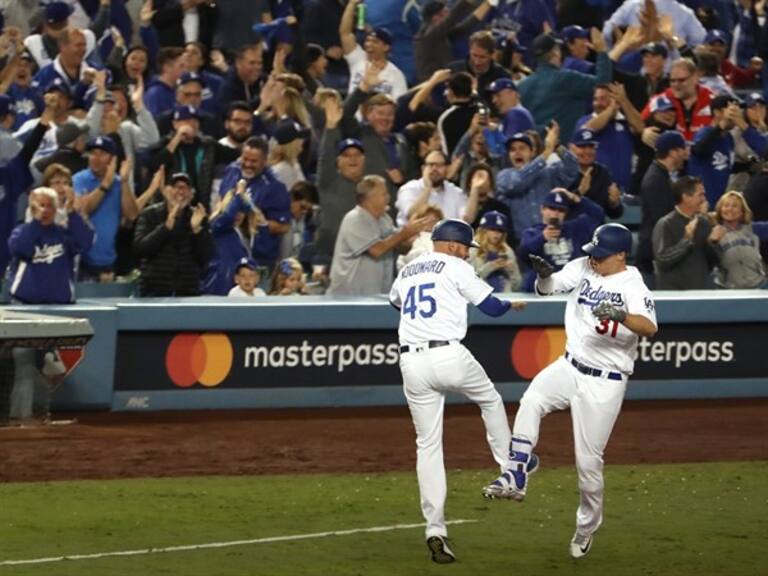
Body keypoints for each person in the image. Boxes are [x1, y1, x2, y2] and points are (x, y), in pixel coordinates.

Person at [482, 222, 657, 560]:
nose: (594, 260)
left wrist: (621, 314)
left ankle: (586, 527)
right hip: (569, 364)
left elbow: (650, 327)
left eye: (602, 256)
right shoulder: (583, 266)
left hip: (604, 382)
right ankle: (517, 472)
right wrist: (544, 276)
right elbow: (547, 289)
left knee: (588, 466)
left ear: (621, 255)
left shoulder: (633, 285)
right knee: (531, 400)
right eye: (593, 253)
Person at [389, 218, 526, 564]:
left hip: (412, 362)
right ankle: (509, 468)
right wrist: (510, 304)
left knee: (428, 445)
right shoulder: (455, 265)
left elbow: (396, 303)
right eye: (465, 247)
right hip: (449, 354)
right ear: (451, 244)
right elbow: (491, 308)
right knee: (490, 399)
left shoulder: (408, 269)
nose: (467, 253)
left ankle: (435, 529)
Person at [327, 175, 432, 296]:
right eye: (384, 194)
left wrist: (414, 235)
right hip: (348, 297)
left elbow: (399, 247)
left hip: (377, 295)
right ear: (369, 198)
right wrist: (405, 232)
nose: (388, 197)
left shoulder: (384, 219)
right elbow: (377, 250)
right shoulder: (355, 219)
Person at [519, 31, 612, 139]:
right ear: (555, 52)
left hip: (536, 151)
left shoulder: (522, 85)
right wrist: (602, 51)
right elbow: (602, 83)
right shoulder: (565, 78)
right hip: (563, 150)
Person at [133, 171, 213, 296]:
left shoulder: (198, 216)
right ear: (165, 190)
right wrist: (165, 228)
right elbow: (141, 249)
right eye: (175, 187)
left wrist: (196, 231)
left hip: (188, 293)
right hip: (154, 293)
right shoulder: (149, 214)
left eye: (185, 188)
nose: (180, 192)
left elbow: (206, 258)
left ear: (192, 194)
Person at [73, 136, 139, 281]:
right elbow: (83, 211)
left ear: (112, 159)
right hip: (82, 261)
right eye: (93, 153)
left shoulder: (118, 182)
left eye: (102, 154)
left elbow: (132, 215)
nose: (96, 158)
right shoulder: (79, 179)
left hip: (108, 261)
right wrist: (105, 184)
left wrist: (124, 181)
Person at [519, 188, 605, 291]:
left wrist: (575, 198)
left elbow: (598, 215)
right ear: (542, 209)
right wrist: (542, 238)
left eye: (561, 210)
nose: (555, 213)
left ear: (566, 213)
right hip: (542, 290)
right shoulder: (532, 232)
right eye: (552, 208)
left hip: (571, 288)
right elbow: (523, 255)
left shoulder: (574, 228)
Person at [636, 130, 689, 279]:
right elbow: (663, 220)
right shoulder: (655, 179)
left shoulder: (661, 175)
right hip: (653, 256)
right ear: (673, 152)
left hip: (658, 251)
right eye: (683, 149)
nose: (686, 153)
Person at [652, 176, 717, 289]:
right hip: (674, 296)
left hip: (699, 292)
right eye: (700, 195)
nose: (704, 200)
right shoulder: (666, 224)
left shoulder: (704, 223)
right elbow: (663, 260)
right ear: (686, 197)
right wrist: (686, 240)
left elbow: (712, 262)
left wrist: (713, 242)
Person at [339, 0, 407, 100]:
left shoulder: (395, 75)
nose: (369, 44)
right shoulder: (358, 59)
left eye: (375, 42)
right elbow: (345, 33)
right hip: (352, 114)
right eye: (368, 41)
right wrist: (351, 4)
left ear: (386, 47)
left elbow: (399, 106)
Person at [708, 191, 768, 288]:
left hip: (759, 286)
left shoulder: (753, 229)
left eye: (735, 206)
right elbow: (709, 259)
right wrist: (713, 242)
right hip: (729, 290)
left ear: (742, 211)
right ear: (720, 209)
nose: (730, 209)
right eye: (726, 205)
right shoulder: (714, 233)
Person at [395, 150, 467, 227]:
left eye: (439, 165)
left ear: (447, 169)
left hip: (447, 237)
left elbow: (466, 219)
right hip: (413, 237)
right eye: (431, 164)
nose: (434, 169)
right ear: (423, 168)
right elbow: (412, 215)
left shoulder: (456, 191)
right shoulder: (409, 188)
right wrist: (428, 188)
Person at [468, 210, 522, 292]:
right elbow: (468, 282)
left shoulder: (507, 251)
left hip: (504, 298)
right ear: (484, 230)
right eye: (493, 229)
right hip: (480, 298)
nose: (497, 234)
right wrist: (490, 267)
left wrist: (513, 271)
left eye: (500, 231)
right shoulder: (472, 249)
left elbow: (517, 286)